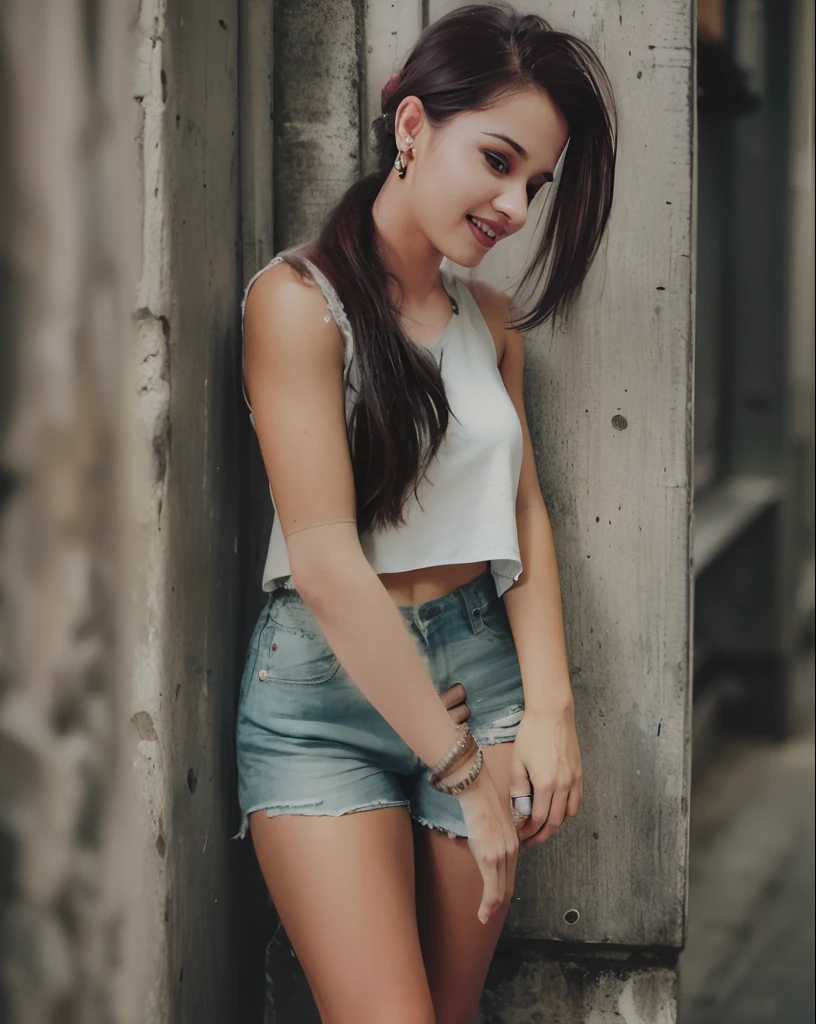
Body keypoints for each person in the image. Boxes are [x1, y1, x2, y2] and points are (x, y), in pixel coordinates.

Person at [235, 4, 616, 1020]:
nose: (517, 205)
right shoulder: (294, 302)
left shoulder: (489, 320)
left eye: (536, 181)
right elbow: (322, 558)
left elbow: (523, 508)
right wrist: (461, 773)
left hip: (473, 669)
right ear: (412, 127)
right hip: (321, 695)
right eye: (498, 160)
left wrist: (550, 706)